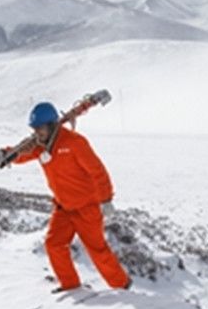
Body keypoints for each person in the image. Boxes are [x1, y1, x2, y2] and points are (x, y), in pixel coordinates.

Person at [8, 102, 131, 293]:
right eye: (34, 129)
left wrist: (106, 200)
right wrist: (5, 154)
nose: (37, 133)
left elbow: (97, 171)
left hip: (86, 207)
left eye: (40, 128)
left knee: (97, 250)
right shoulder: (39, 145)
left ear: (52, 125)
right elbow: (22, 153)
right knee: (54, 244)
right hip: (63, 207)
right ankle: (70, 285)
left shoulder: (75, 143)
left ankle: (122, 285)